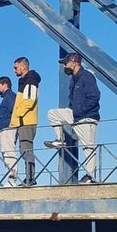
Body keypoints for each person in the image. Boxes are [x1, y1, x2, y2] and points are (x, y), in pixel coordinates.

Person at [45, 53, 102, 184]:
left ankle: (90, 176)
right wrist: (74, 111)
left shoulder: (86, 77)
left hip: (87, 117)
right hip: (75, 115)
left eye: (66, 63)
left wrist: (80, 110)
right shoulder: (73, 79)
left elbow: (94, 97)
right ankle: (60, 140)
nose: (64, 65)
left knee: (88, 147)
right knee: (52, 113)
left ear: (75, 62)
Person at [11, 56, 41, 186]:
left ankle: (30, 178)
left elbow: (29, 100)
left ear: (23, 67)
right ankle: (29, 178)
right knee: (25, 150)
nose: (14, 70)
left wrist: (17, 114)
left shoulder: (30, 80)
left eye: (16, 67)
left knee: (26, 150)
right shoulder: (25, 81)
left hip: (26, 121)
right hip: (23, 121)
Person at [0, 76, 19, 186]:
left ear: (5, 85)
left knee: (9, 153)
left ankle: (12, 179)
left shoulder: (10, 97)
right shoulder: (8, 97)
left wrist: (8, 124)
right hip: (4, 129)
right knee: (6, 153)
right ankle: (11, 177)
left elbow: (13, 111)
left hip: (7, 129)